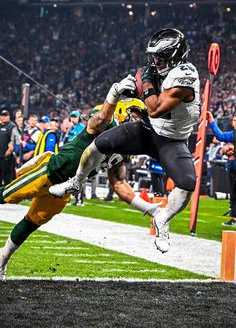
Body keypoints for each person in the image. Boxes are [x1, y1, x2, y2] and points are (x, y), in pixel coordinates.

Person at [50, 28, 200, 253]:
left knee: (187, 183)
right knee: (99, 144)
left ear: (175, 54)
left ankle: (163, 218)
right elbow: (143, 95)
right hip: (147, 130)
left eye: (161, 55)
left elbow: (156, 108)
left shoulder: (186, 74)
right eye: (154, 55)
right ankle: (77, 181)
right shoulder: (157, 71)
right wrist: (125, 90)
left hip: (171, 140)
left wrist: (146, 85)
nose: (156, 60)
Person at [0, 75, 160, 280]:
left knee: (32, 222)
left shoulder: (126, 149)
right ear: (123, 112)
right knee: (6, 195)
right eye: (135, 116)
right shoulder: (106, 120)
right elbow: (99, 120)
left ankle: (2, 260)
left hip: (65, 189)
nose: (138, 123)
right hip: (50, 172)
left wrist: (149, 208)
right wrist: (114, 94)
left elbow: (119, 183)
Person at [207, 111, 236, 226]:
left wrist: (231, 148)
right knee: (233, 194)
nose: (235, 122)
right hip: (232, 169)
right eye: (234, 120)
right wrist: (211, 121)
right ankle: (234, 219)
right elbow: (220, 136)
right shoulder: (233, 134)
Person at [0, 109, 16, 185]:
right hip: (0, 155)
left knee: (7, 175)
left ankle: (7, 193)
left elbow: (13, 141)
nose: (4, 117)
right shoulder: (0, 125)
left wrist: (8, 152)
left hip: (7, 156)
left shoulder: (12, 126)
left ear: (9, 116)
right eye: (2, 116)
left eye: (6, 116)